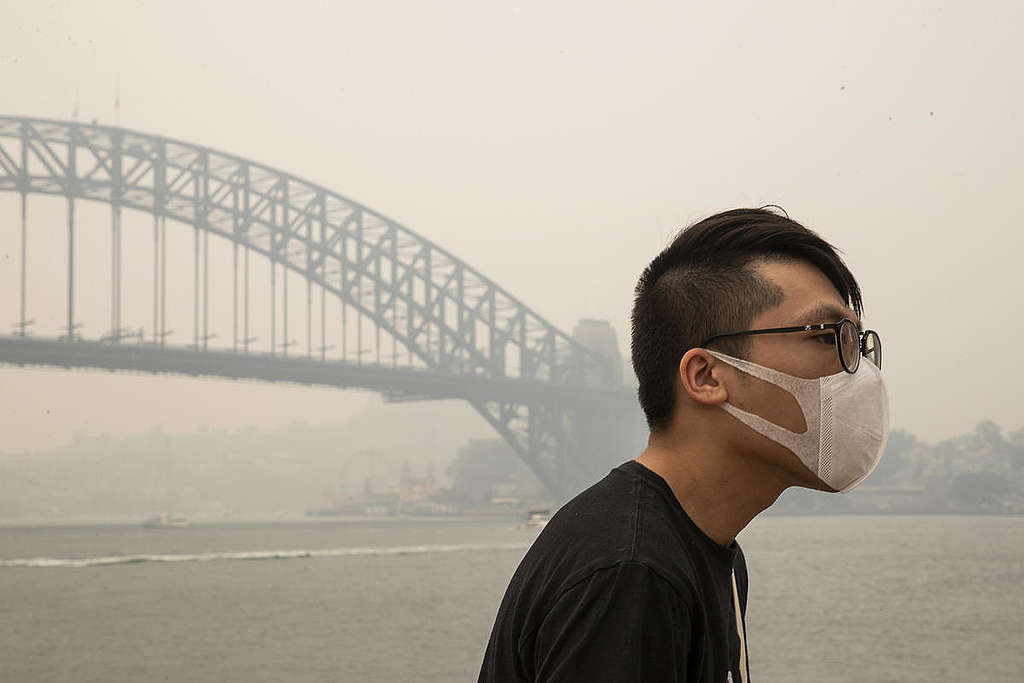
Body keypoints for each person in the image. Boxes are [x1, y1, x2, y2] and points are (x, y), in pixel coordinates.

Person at [476, 207, 890, 682]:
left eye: (858, 345)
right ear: (707, 375)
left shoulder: (707, 551)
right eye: (826, 336)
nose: (856, 372)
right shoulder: (631, 573)